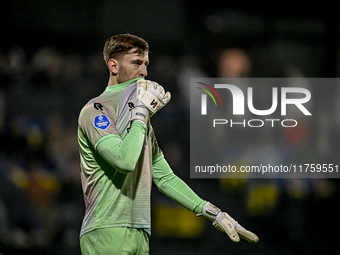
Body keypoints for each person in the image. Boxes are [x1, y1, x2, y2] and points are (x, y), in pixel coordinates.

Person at [77, 34, 259, 255]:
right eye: (136, 63)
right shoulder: (96, 111)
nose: (143, 71)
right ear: (113, 66)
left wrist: (213, 213)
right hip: (106, 231)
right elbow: (124, 161)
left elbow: (165, 177)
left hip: (140, 233)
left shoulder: (141, 120)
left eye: (145, 64)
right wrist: (142, 114)